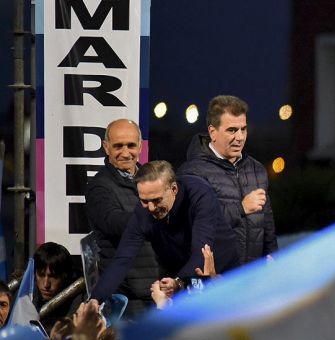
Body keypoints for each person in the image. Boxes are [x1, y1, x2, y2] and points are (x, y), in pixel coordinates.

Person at [90, 161, 239, 302]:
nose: (151, 208)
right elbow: (122, 260)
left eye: (157, 200)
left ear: (174, 189)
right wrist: (95, 299)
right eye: (144, 201)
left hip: (221, 270)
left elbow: (201, 252)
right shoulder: (143, 213)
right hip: (176, 274)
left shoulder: (198, 194)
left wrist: (179, 282)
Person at [178, 95, 277, 266]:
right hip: (214, 280)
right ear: (212, 132)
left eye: (243, 129)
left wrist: (273, 258)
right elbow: (192, 223)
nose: (240, 137)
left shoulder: (257, 170)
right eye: (232, 130)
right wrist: (241, 208)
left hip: (252, 278)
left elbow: (267, 224)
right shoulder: (191, 172)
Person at [84, 119, 159, 313]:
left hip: (158, 291)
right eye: (118, 146)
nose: (125, 153)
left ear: (141, 146)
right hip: (126, 300)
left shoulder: (153, 180)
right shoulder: (98, 187)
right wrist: (158, 212)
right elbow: (113, 222)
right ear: (106, 147)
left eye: (131, 145)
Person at [32, 242, 84, 331]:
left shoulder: (80, 304)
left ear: (65, 275)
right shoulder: (25, 296)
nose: (46, 284)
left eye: (53, 276)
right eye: (41, 275)